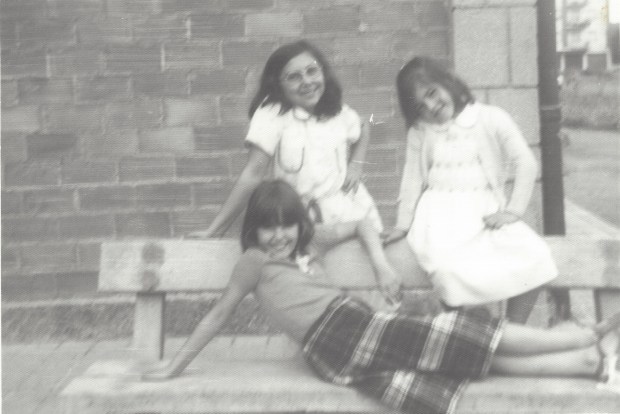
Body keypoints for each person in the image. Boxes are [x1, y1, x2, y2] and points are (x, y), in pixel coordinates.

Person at [143, 180, 620, 414]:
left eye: (287, 225)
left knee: (468, 354)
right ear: (254, 230)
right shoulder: (254, 260)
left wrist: (380, 263)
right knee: (462, 330)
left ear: (299, 225)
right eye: (268, 227)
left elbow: (360, 224)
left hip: (359, 326)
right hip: (337, 341)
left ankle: (586, 361)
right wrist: (174, 367)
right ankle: (584, 336)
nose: (279, 236)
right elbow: (218, 315)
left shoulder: (309, 241)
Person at [383, 56, 558, 323]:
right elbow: (412, 180)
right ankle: (466, 333)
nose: (431, 106)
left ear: (448, 82)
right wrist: (402, 224)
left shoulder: (490, 117)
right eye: (420, 105)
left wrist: (513, 211)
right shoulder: (420, 132)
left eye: (432, 93)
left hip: (484, 214)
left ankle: (512, 328)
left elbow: (526, 162)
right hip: (439, 218)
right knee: (447, 270)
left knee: (535, 255)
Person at [188, 39, 382, 239]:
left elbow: (363, 126)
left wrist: (356, 165)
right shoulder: (273, 114)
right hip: (300, 221)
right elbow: (253, 173)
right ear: (278, 85)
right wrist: (215, 230)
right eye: (294, 77)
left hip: (351, 213)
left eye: (312, 71)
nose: (307, 82)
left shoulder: (336, 111)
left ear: (323, 73)